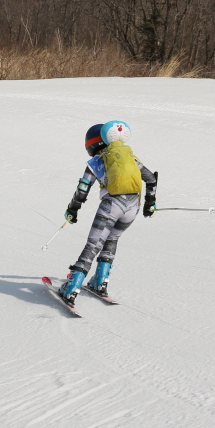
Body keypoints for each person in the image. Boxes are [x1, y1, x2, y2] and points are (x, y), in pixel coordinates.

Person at [58, 120, 157, 305]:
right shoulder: (130, 158)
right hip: (132, 207)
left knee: (93, 245)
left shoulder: (96, 161)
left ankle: (71, 288)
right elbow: (151, 179)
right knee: (112, 239)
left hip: (112, 206)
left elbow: (82, 189)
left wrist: (72, 209)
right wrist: (149, 203)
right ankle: (100, 281)